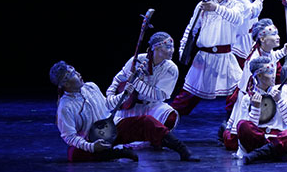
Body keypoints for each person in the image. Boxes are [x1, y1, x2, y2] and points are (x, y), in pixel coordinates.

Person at [51, 61, 198, 162]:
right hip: (94, 139)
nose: (78, 73)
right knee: (74, 154)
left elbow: (107, 105)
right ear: (65, 83)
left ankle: (182, 150)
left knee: (146, 121)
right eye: (73, 73)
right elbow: (69, 136)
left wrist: (124, 95)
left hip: (113, 128)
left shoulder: (91, 87)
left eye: (75, 70)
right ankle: (116, 153)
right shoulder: (65, 106)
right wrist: (91, 146)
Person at [222, 18, 287, 152]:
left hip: (270, 94)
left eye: (277, 33)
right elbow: (254, 88)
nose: (278, 37)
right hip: (256, 98)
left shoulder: (265, 53)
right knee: (235, 142)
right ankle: (227, 130)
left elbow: (271, 58)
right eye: (273, 34)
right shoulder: (255, 60)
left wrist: (283, 52)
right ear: (262, 39)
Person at [170, 0, 245, 117]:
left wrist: (216, 8)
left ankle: (231, 127)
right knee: (185, 99)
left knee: (239, 94)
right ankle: (164, 122)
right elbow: (191, 29)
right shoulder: (203, 5)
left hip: (226, 58)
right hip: (204, 58)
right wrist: (182, 50)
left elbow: (237, 19)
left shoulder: (236, 5)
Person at [234, 55, 287, 164]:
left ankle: (256, 155)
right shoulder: (248, 98)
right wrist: (256, 108)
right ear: (259, 75)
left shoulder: (283, 92)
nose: (273, 76)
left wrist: (279, 100)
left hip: (277, 138)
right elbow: (248, 128)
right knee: (242, 125)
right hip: (258, 140)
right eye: (270, 72)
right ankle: (272, 154)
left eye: (273, 71)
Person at [106, 31, 180, 130]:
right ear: (156, 48)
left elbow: (159, 95)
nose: (172, 50)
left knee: (170, 117)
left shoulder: (171, 68)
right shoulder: (138, 60)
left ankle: (155, 135)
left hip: (152, 107)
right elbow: (118, 79)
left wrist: (136, 82)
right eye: (168, 47)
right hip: (130, 105)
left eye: (172, 47)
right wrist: (111, 97)